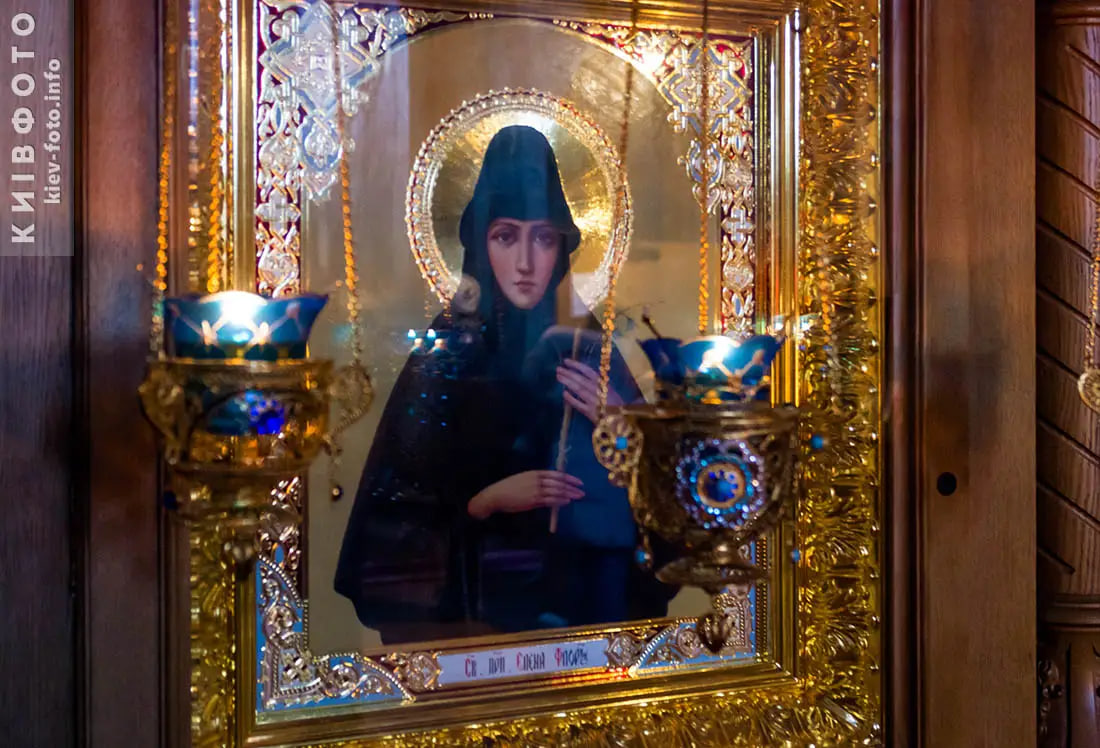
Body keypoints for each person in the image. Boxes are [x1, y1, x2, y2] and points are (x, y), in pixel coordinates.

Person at [334, 125, 672, 644]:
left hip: (583, 630)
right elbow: (390, 533)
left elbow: (663, 526)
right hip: (470, 636)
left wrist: (620, 427)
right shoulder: (447, 352)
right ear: (480, 242)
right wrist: (485, 502)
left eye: (543, 238)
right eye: (506, 236)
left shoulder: (589, 349)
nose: (525, 263)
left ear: (562, 247)